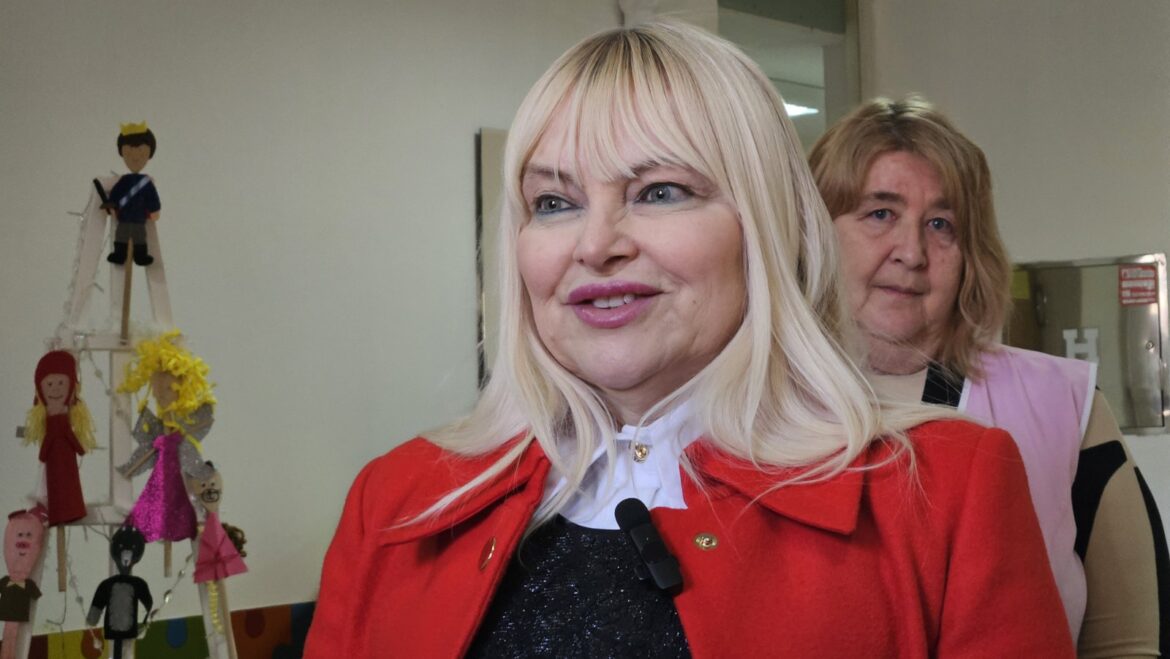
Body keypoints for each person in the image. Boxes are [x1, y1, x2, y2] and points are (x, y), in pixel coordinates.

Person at [305, 22, 1074, 657]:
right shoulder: (392, 501)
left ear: (766, 227)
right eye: (554, 202)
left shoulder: (946, 489)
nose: (595, 244)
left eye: (660, 191)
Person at [809, 95, 1168, 657]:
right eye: (880, 214)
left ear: (971, 254)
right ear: (814, 233)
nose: (912, 252)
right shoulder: (753, 403)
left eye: (941, 225)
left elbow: (1130, 644)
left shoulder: (1064, 406)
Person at [104, 122, 160, 266]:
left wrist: (154, 209)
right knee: (121, 235)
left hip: (139, 219)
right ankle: (119, 254)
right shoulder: (125, 180)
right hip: (124, 218)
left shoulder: (146, 182)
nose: (135, 157)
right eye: (129, 152)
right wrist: (111, 203)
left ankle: (140, 255)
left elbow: (152, 197)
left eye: (141, 152)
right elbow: (116, 192)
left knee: (140, 237)